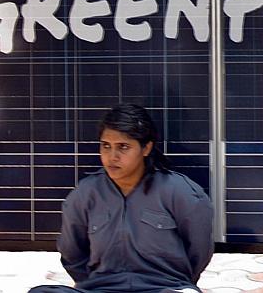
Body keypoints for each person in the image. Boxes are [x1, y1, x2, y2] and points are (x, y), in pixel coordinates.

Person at [29, 103, 215, 293]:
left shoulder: (180, 192)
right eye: (106, 146)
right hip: (102, 289)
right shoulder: (85, 194)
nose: (112, 156)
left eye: (123, 147)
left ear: (146, 148)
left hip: (164, 288)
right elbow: (73, 254)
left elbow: (199, 251)